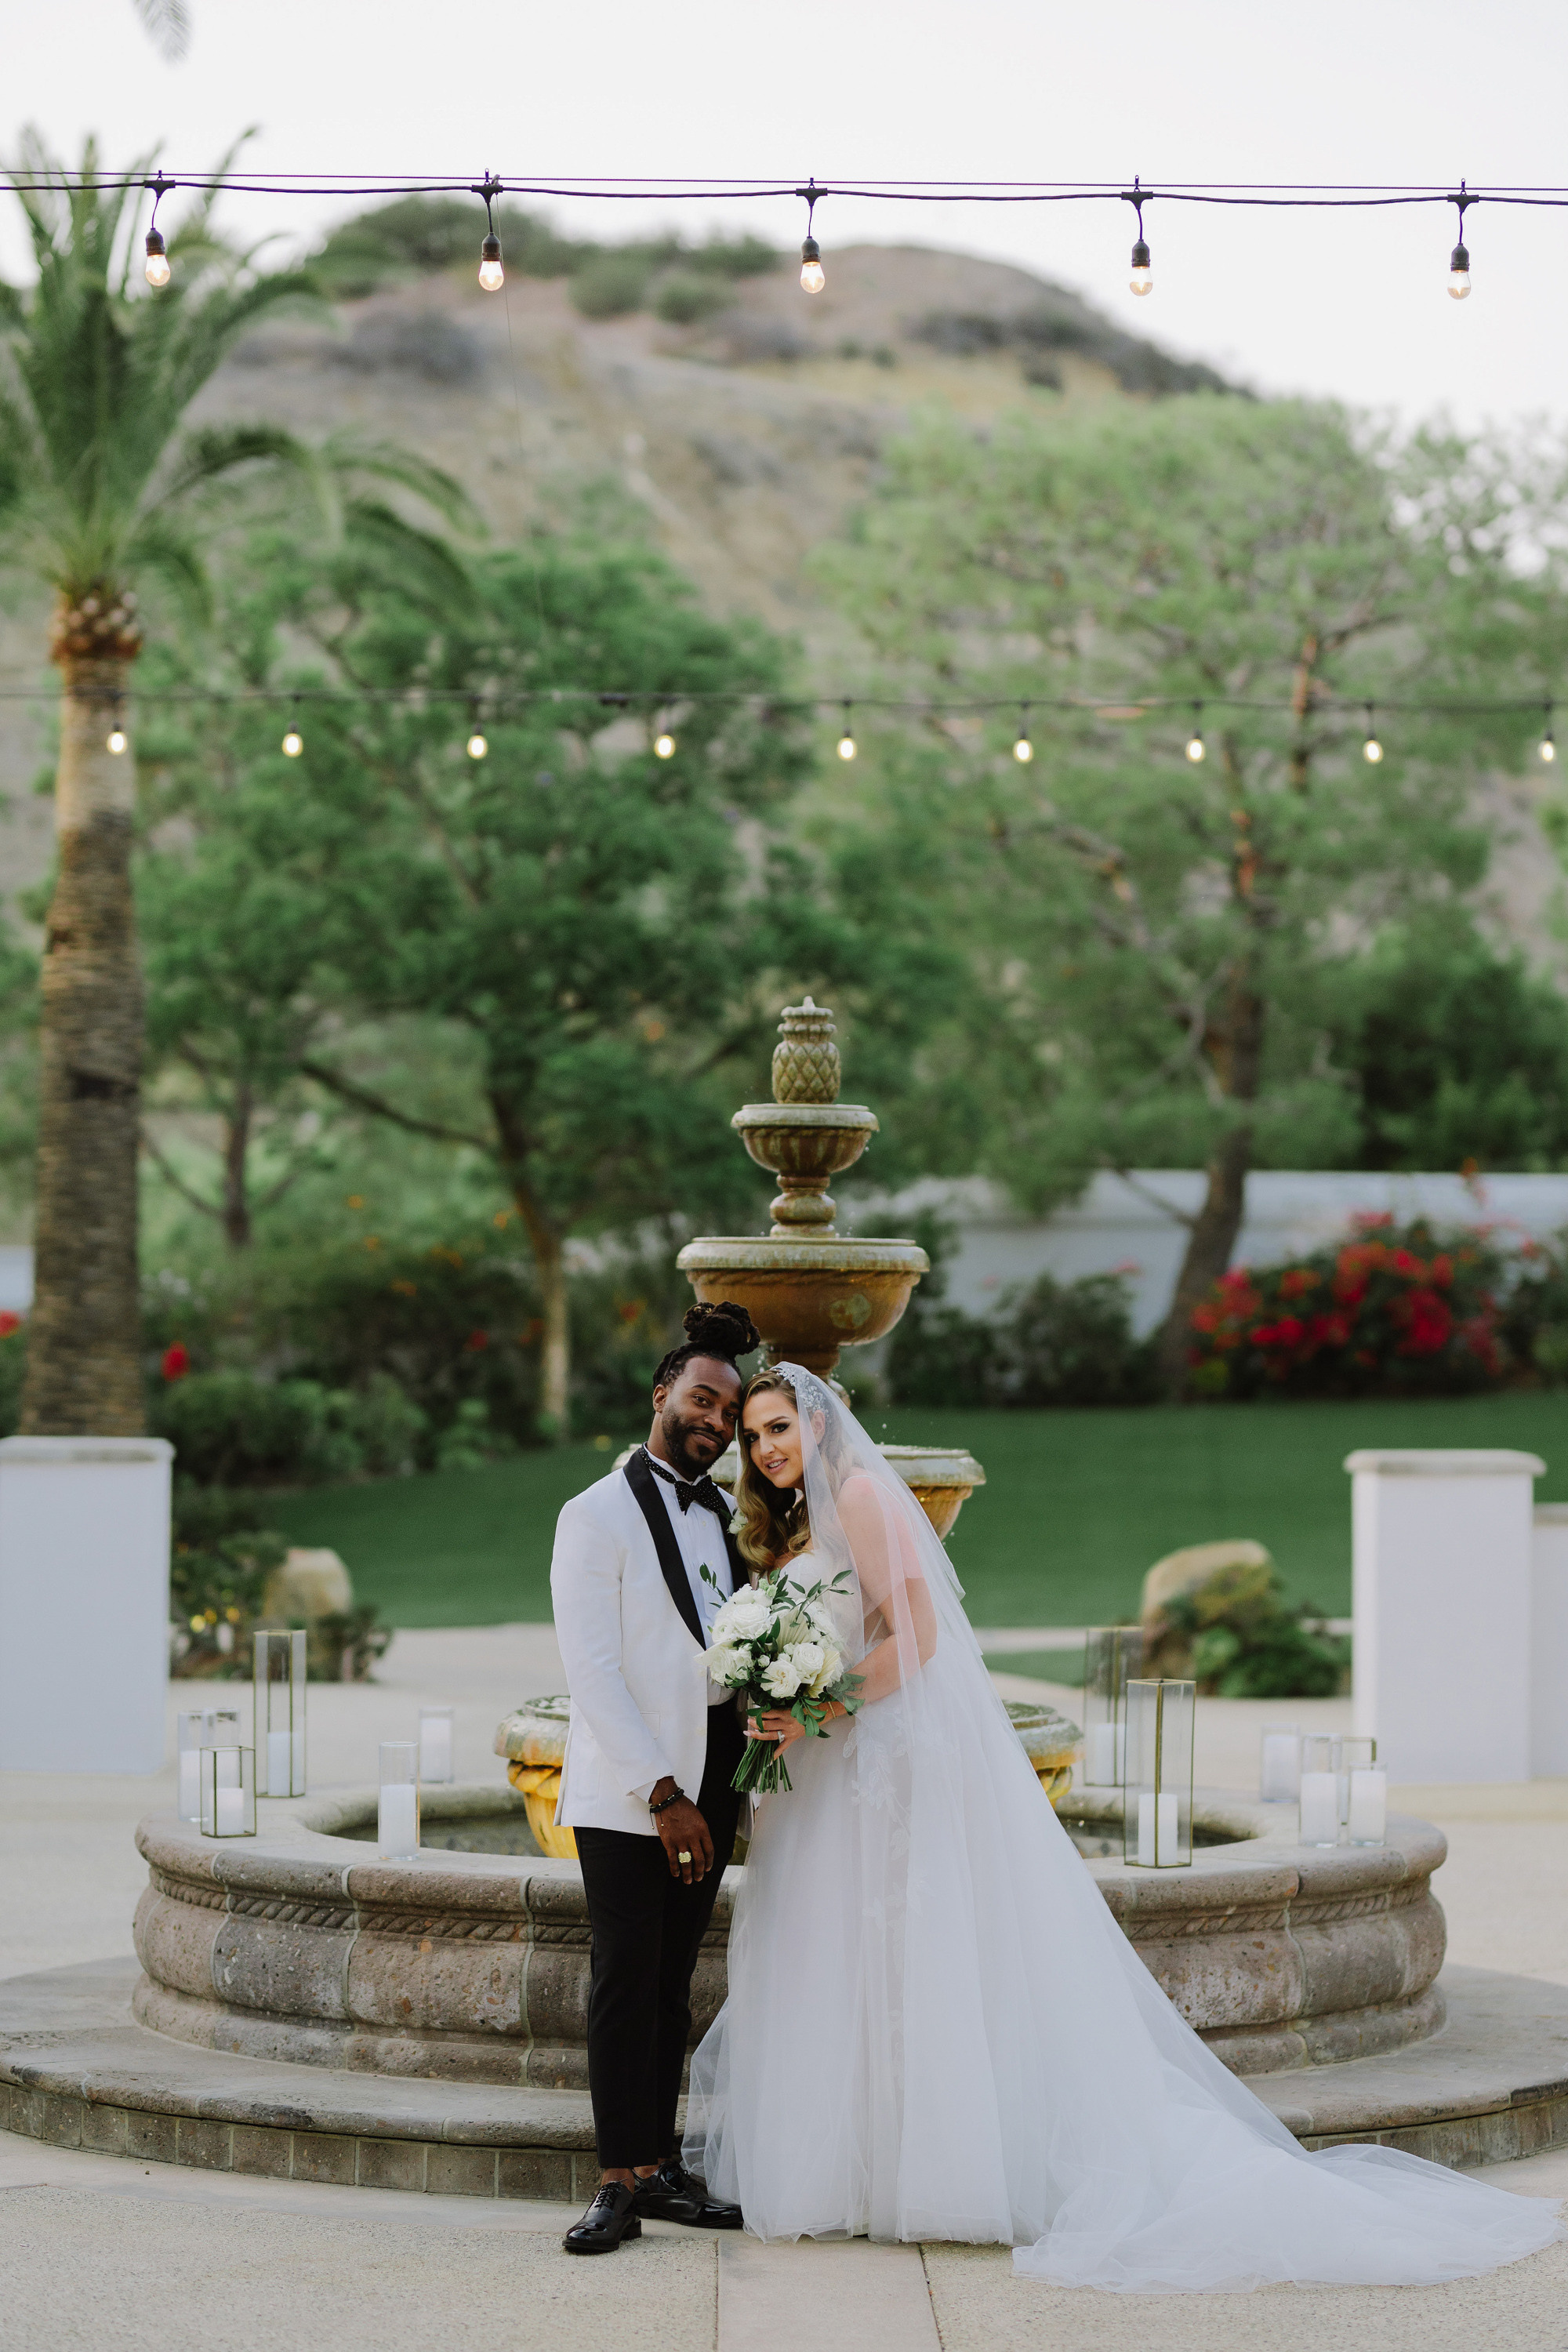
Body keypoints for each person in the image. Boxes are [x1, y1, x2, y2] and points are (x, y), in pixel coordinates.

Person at [681, 1362, 1563, 2290]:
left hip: (871, 1757)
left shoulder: (859, 1495)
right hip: (827, 1767)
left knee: (906, 1950)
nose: (766, 1448)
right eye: (754, 1436)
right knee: (846, 1953)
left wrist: (818, 1708)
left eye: (778, 1426)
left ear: (818, 1424)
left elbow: (919, 1636)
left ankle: (931, 2170)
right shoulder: (797, 1521)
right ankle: (858, 2167)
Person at [550, 1300, 760, 2256]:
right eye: (703, 1401)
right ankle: (613, 2180)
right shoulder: (591, 1515)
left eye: (729, 1413)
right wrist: (663, 1796)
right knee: (623, 1982)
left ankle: (659, 2165)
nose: (715, 1423)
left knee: (673, 1982)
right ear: (661, 1392)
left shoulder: (725, 1515)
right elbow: (590, 1671)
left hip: (711, 1789)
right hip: (634, 1796)